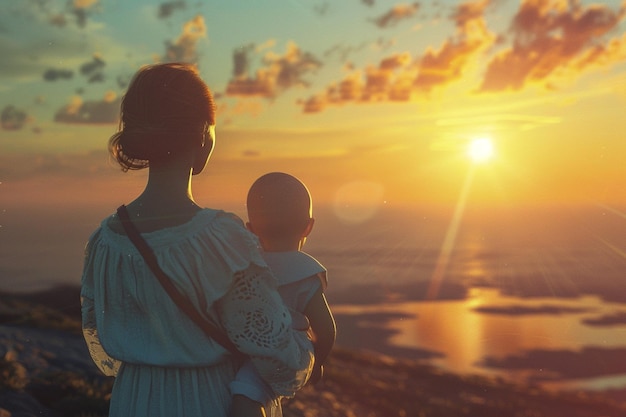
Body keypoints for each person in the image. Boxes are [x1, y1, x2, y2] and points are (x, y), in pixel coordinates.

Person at [80, 63, 313, 417]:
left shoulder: (105, 242)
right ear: (204, 134)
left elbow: (106, 347)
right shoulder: (220, 241)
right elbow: (277, 357)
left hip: (132, 401)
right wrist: (308, 345)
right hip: (205, 400)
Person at [230, 172, 337, 417]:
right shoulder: (306, 273)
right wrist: (317, 361)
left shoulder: (248, 266)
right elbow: (326, 329)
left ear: (251, 229)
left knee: (247, 393)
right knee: (256, 389)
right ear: (308, 227)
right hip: (286, 350)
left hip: (279, 350)